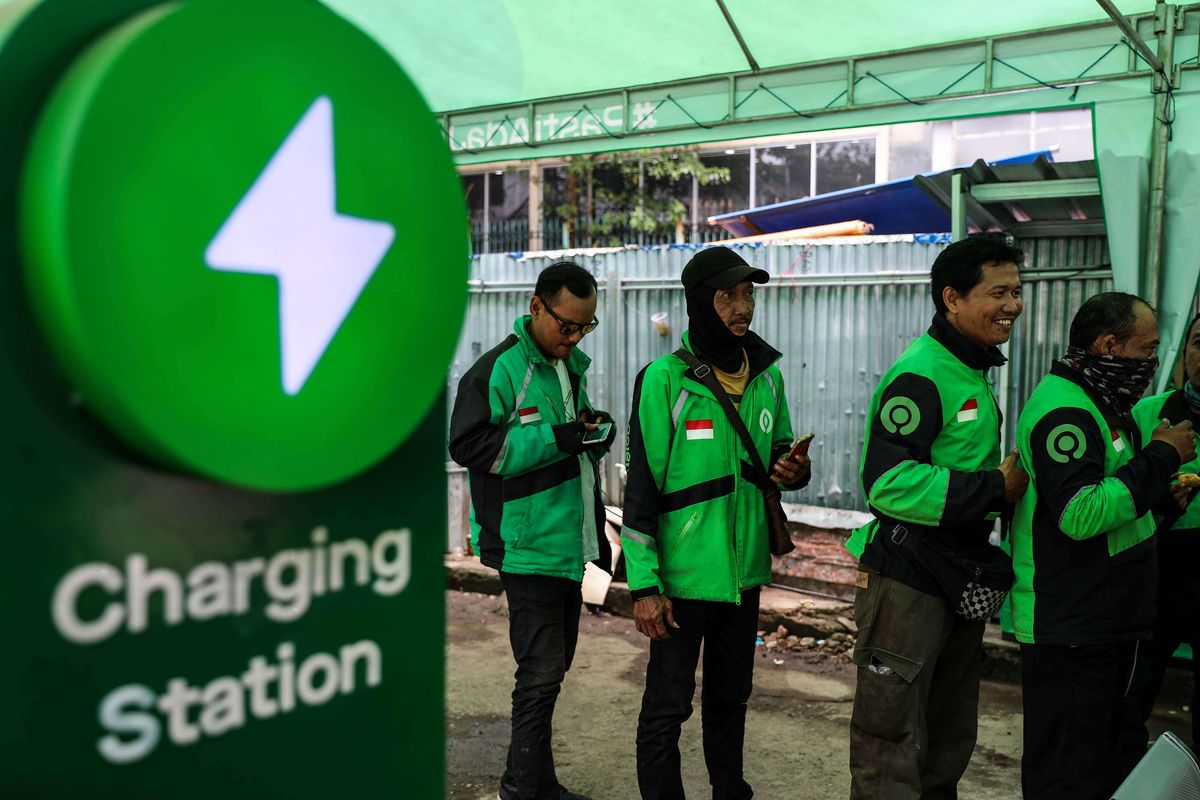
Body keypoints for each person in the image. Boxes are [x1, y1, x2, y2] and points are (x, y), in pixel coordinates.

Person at [621, 246, 809, 800]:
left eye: (748, 293)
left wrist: (794, 469)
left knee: (732, 698)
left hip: (744, 574)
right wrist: (645, 586)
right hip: (681, 578)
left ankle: (731, 790)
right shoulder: (663, 380)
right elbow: (641, 490)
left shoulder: (768, 378)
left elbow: (779, 459)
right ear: (701, 301)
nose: (742, 306)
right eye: (729, 295)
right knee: (667, 706)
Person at [845, 236, 1029, 800]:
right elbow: (887, 484)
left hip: (957, 573)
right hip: (909, 577)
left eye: (1017, 292)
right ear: (952, 298)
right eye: (997, 293)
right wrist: (994, 487)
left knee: (950, 732)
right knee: (890, 732)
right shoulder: (923, 373)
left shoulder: (967, 368)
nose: (1013, 306)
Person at [1010, 292, 1195, 800]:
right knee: (1068, 771)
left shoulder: (1102, 403)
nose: (1154, 365)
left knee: (1100, 763)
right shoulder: (1065, 412)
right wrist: (1160, 457)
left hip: (1103, 618)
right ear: (1109, 344)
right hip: (1072, 625)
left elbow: (1116, 513)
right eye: (1147, 350)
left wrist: (1162, 502)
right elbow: (1079, 513)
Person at [448, 260, 615, 800]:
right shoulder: (499, 370)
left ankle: (532, 783)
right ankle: (524, 787)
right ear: (536, 306)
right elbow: (469, 446)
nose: (574, 336)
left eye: (585, 327)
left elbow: (570, 431)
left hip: (566, 544)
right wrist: (557, 439)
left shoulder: (566, 367)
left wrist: (594, 429)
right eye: (566, 325)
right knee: (541, 673)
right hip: (526, 545)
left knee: (551, 670)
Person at [1120, 312, 1200, 773]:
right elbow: (1121, 489)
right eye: (1198, 340)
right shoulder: (1149, 413)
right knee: (1133, 692)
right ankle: (1127, 778)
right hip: (1158, 568)